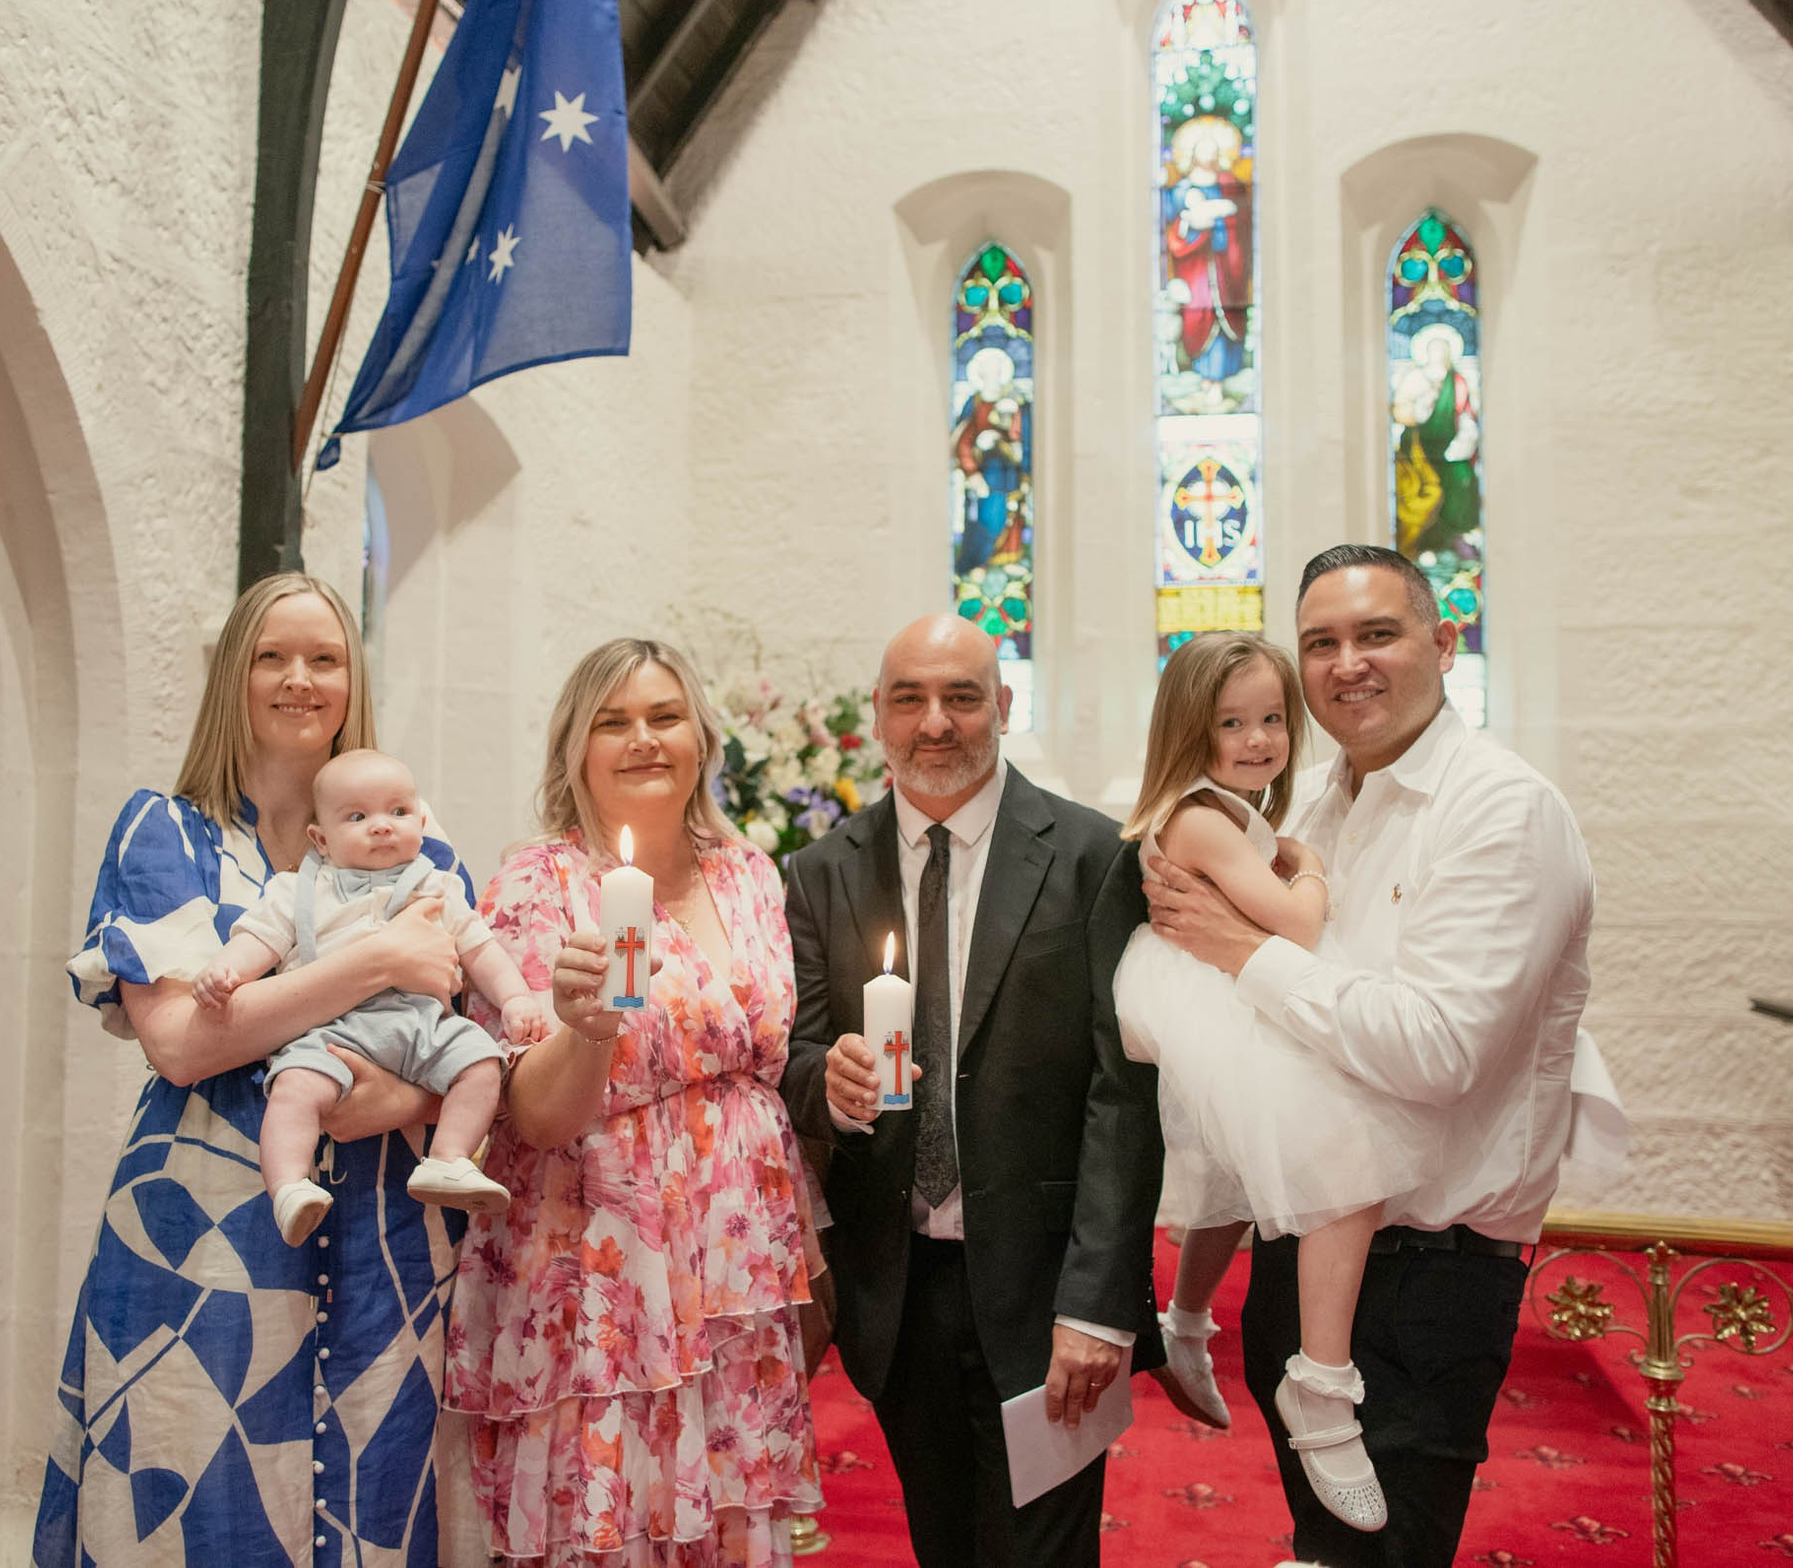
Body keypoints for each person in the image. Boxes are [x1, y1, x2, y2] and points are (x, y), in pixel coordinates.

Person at [1143, 545, 1624, 1568]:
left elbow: (1434, 1049)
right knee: (1321, 1544)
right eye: (1320, 642)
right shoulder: (1308, 799)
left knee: (1380, 1552)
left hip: (1427, 1271)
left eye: (1376, 633)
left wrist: (1241, 949)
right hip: (1307, 1238)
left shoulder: (1502, 808)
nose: (1345, 663)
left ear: (1443, 644)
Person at [35, 572, 484, 1567]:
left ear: (351, 679)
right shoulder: (169, 829)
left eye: (324, 658)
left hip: (386, 1232)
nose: (298, 678)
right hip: (204, 1228)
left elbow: (462, 1024)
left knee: (378, 1497)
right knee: (196, 1497)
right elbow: (187, 1042)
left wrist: (387, 1094)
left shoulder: (413, 832)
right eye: (271, 655)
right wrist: (373, 961)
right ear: (233, 674)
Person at [782, 614, 1162, 1568]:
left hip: (1047, 1295)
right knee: (943, 1546)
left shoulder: (1091, 857)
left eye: (960, 696)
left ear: (1003, 703)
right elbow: (792, 1055)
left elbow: (1124, 1095)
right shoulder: (823, 871)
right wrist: (826, 1084)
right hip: (900, 1292)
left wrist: (1098, 1302)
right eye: (909, 698)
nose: (936, 722)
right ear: (879, 716)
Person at [443, 638, 822, 1565]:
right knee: (608, 1519)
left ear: (701, 736)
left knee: (727, 1511)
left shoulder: (750, 873)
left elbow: (767, 1069)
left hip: (736, 1265)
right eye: (613, 722)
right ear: (575, 748)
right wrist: (584, 1027)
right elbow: (531, 1118)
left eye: (663, 716)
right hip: (601, 1263)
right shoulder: (540, 882)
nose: (643, 739)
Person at [1113, 631, 1441, 1532]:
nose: (1258, 740)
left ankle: (1185, 1319)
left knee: (1235, 1176)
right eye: (1232, 723)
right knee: (1346, 1159)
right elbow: (1295, 928)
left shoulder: (1233, 809)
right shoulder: (1204, 816)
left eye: (1271, 720)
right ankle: (1321, 1385)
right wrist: (1315, 867)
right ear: (1190, 728)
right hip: (1206, 992)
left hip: (1215, 981)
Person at [198, 747, 545, 1235]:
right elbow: (259, 939)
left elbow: (481, 951)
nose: (382, 825)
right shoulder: (296, 891)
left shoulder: (438, 888)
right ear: (320, 838)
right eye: (358, 816)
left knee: (483, 1065)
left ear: (421, 821)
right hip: (334, 1030)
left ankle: (447, 1159)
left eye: (398, 812)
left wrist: (515, 999)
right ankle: (289, 1185)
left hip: (423, 1023)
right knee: (295, 1087)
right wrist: (224, 971)